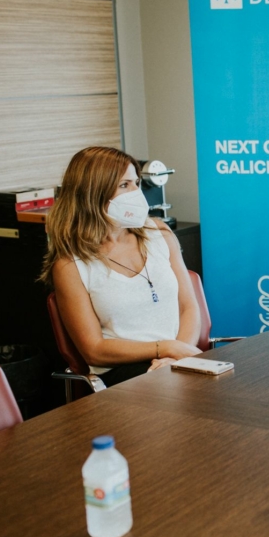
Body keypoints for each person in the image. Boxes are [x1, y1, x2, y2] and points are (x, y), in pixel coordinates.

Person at [40, 147, 202, 386]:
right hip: (123, 371)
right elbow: (94, 350)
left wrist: (178, 354)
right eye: (124, 185)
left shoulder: (159, 232)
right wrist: (166, 348)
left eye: (136, 183)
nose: (137, 193)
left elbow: (189, 307)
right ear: (93, 193)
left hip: (177, 358)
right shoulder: (70, 265)